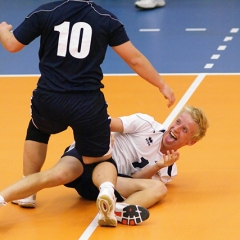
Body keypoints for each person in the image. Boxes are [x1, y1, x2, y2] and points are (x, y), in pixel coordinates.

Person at [0, 0, 175, 227]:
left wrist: (4, 31)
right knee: (99, 158)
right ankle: (106, 191)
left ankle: (27, 193)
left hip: (50, 97)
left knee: (38, 129)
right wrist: (161, 85)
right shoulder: (106, 18)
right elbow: (134, 59)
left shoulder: (46, 11)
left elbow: (12, 45)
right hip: (87, 103)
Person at [0, 106, 209, 223]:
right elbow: (106, 122)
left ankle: (116, 211)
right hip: (91, 158)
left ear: (191, 141)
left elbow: (133, 182)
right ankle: (3, 197)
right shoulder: (147, 125)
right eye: (178, 122)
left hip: (107, 183)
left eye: (184, 130)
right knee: (57, 175)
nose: (176, 128)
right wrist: (103, 137)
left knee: (159, 188)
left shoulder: (169, 169)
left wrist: (156, 166)